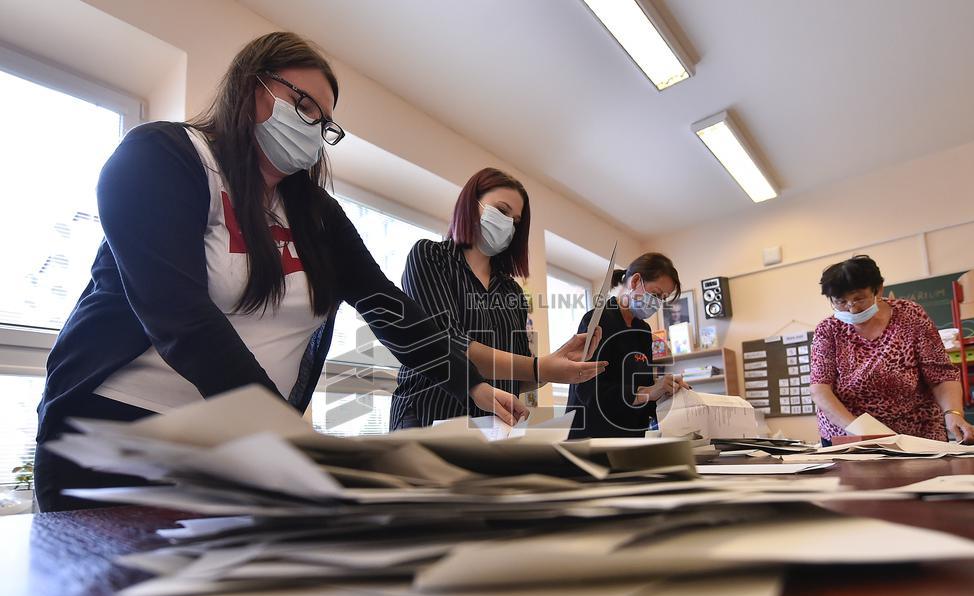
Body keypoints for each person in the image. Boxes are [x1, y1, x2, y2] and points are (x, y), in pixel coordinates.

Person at [34, 33, 523, 512]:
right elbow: (178, 313)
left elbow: (384, 302)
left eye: (324, 121)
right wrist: (282, 430)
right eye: (303, 104)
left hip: (239, 453)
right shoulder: (163, 156)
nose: (313, 125)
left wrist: (472, 384)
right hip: (119, 436)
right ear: (252, 85)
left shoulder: (317, 215)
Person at [390, 168, 607, 429]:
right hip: (428, 416)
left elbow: (521, 375)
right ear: (472, 204)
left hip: (491, 428)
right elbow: (448, 343)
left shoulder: (512, 291)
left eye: (515, 221)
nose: (508, 224)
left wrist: (559, 364)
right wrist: (540, 367)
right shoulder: (430, 257)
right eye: (502, 211)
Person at [809, 255, 974, 445]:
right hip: (850, 434)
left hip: (916, 434)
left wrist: (953, 413)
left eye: (859, 299)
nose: (851, 309)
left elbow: (941, 374)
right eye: (841, 302)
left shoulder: (911, 316)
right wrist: (864, 431)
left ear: (878, 289)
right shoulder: (828, 330)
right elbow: (820, 390)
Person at [566, 253, 688, 439]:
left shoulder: (643, 331)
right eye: (655, 294)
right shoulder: (597, 320)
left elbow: (645, 388)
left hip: (631, 436)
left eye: (662, 298)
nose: (657, 303)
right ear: (635, 280)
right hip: (592, 436)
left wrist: (667, 394)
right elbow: (588, 389)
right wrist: (646, 392)